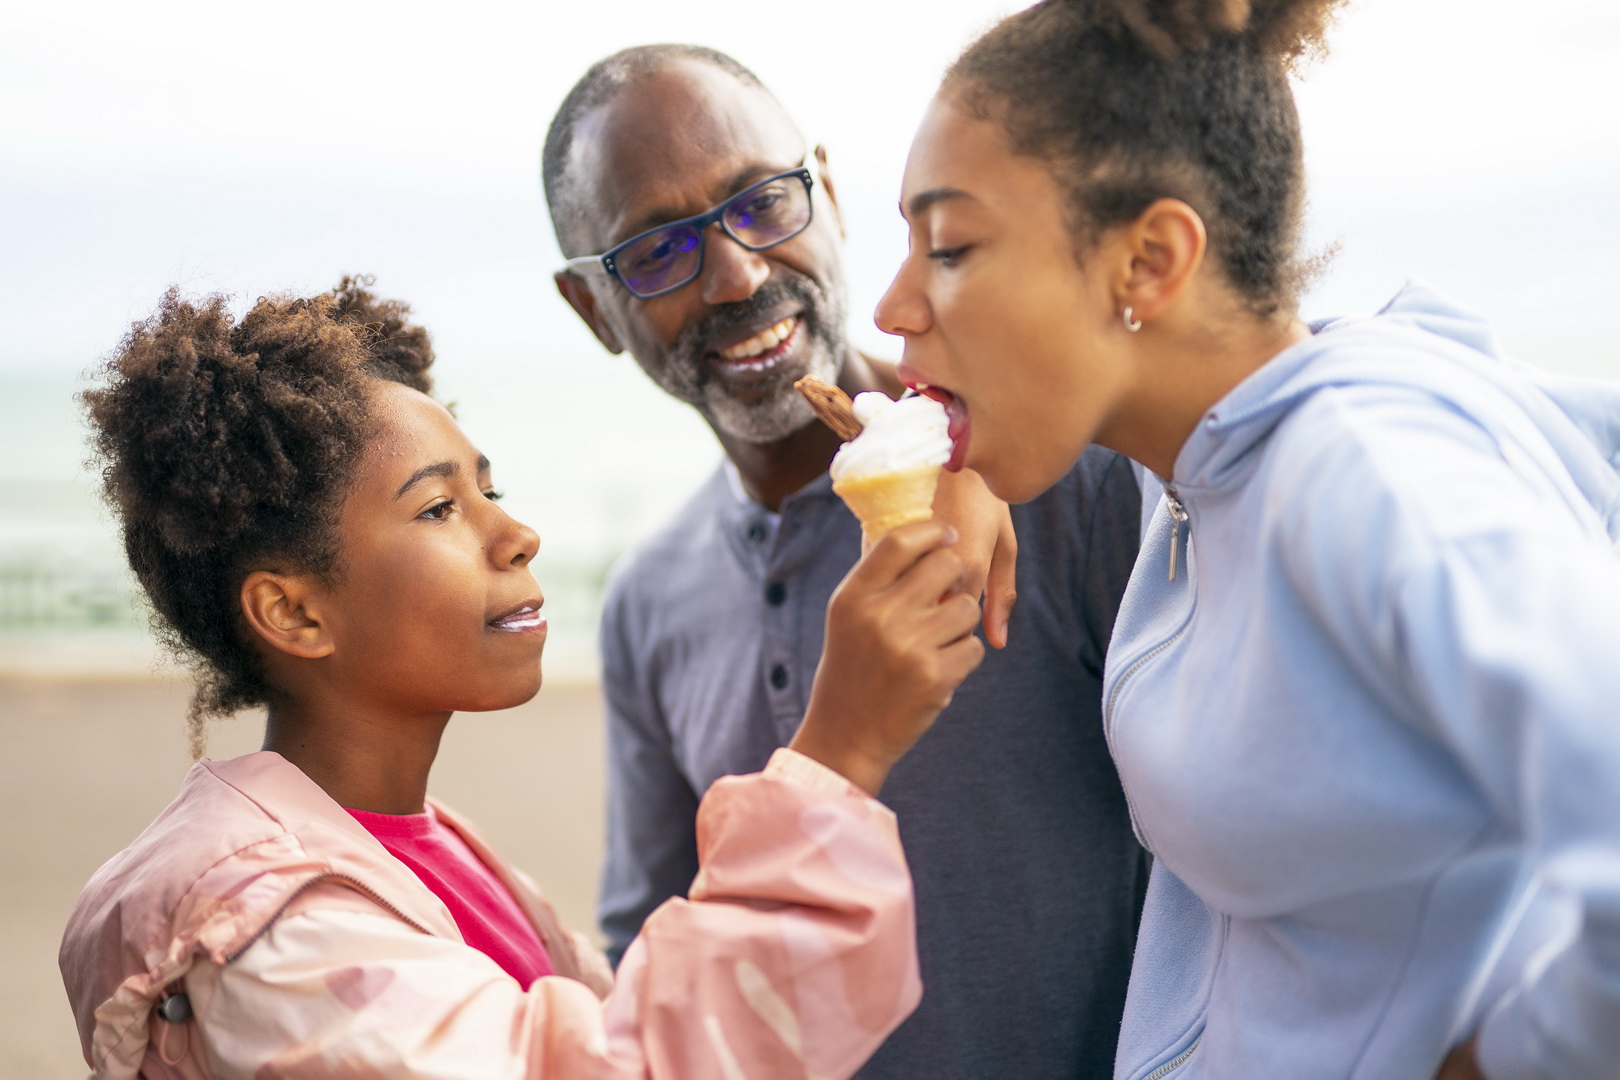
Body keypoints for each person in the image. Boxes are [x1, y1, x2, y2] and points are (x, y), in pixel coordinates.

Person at [873, 1, 1620, 1078]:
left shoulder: (1358, 471)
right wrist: (956, 458)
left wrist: (1515, 1060)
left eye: (950, 247)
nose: (896, 304)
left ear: (1149, 262)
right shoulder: (1195, 456)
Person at [58, 279, 983, 1080]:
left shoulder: (420, 851)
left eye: (488, 493)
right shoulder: (273, 938)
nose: (517, 535)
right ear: (294, 613)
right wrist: (839, 752)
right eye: (437, 508)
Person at [544, 46, 1149, 1080]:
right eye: (655, 253)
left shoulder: (1065, 484)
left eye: (763, 202)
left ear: (826, 192)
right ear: (596, 311)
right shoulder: (649, 602)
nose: (738, 273)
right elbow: (656, 955)